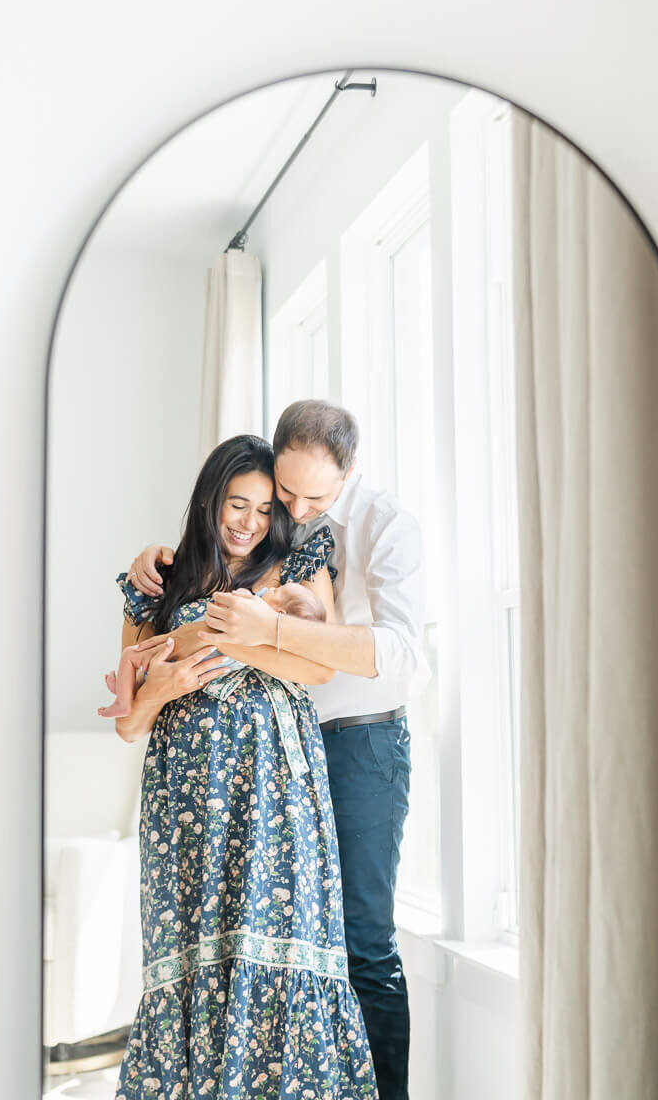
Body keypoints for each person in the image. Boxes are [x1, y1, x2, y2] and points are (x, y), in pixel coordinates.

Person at [130, 401, 427, 1100]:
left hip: (359, 739)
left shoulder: (387, 528)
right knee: (261, 943)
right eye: (281, 492)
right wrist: (158, 573)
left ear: (348, 474)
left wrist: (269, 630)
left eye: (311, 497)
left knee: (359, 943)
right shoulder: (275, 525)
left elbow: (397, 653)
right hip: (274, 750)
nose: (293, 507)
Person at [98, 580, 327, 719]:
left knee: (131, 655)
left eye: (277, 592)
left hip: (190, 646)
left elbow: (223, 602)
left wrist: (242, 595)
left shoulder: (256, 610)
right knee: (151, 672)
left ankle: (122, 700)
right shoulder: (270, 646)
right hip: (206, 664)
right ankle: (127, 688)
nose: (270, 588)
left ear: (280, 615)